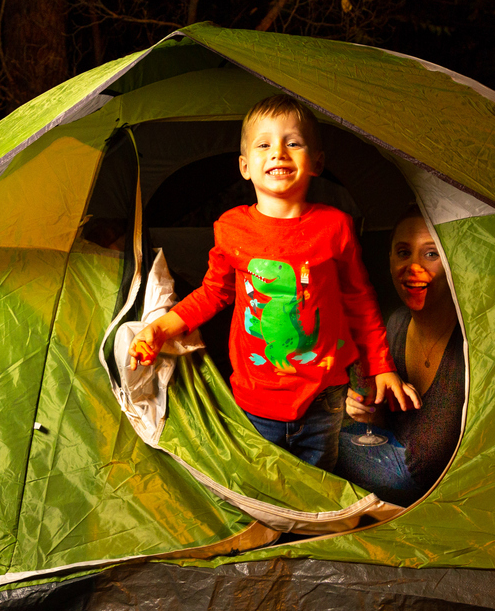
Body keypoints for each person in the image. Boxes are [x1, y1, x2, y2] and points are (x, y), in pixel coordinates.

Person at [128, 95, 418, 470]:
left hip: (323, 397)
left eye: (292, 143)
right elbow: (214, 292)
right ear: (245, 166)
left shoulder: (336, 226)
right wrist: (160, 329)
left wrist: (382, 366)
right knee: (263, 486)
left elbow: (359, 301)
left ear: (317, 162)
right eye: (264, 144)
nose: (278, 152)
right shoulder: (231, 228)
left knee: (316, 488)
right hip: (255, 396)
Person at [339, 207, 464, 505]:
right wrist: (368, 410)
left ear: (452, 261)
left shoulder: (471, 341)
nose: (413, 267)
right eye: (404, 253)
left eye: (431, 254)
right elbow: (387, 424)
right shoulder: (396, 323)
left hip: (439, 497)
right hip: (389, 477)